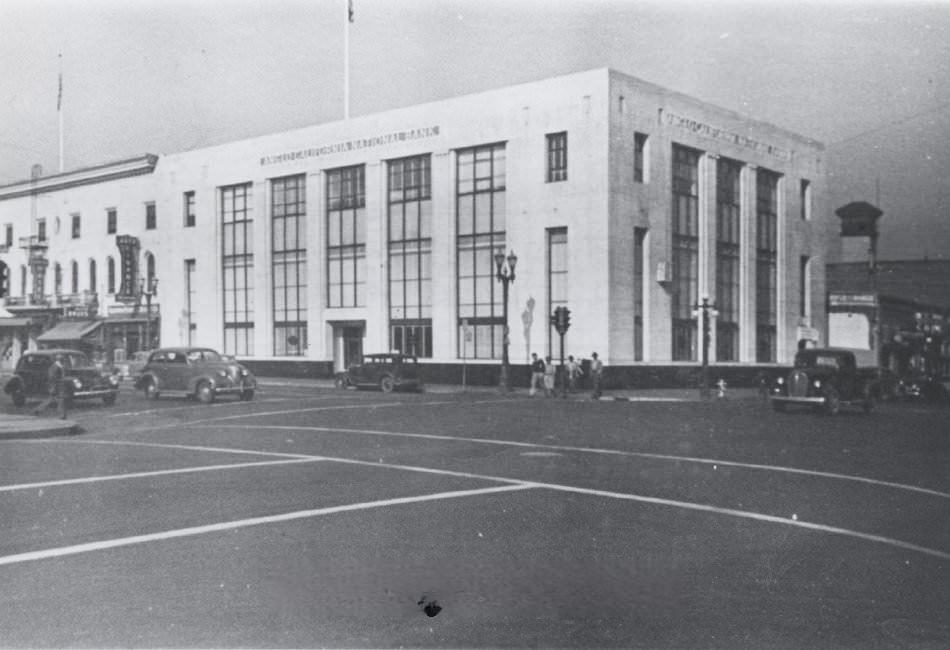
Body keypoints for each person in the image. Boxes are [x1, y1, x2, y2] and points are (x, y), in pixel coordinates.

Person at [33, 353, 68, 419]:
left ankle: (37, 410)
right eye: (62, 359)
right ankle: (62, 415)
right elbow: (51, 378)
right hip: (56, 386)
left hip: (59, 386)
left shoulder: (60, 366)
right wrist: (53, 388)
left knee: (51, 399)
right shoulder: (55, 367)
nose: (63, 361)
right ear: (59, 360)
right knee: (61, 400)